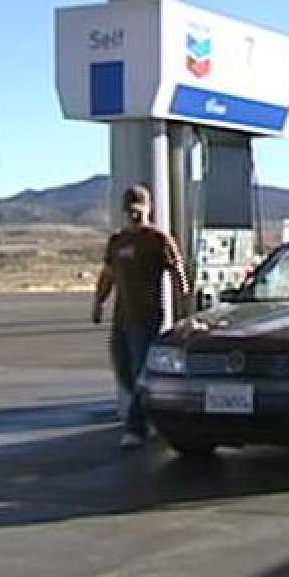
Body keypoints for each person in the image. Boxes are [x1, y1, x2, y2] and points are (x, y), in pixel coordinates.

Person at [92, 185, 190, 448]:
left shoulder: (158, 239)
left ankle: (136, 427)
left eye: (140, 209)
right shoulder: (118, 240)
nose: (135, 214)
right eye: (131, 210)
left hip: (147, 316)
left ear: (148, 208)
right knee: (123, 366)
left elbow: (178, 272)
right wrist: (98, 303)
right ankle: (152, 413)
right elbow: (108, 275)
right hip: (122, 316)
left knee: (140, 369)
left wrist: (185, 310)